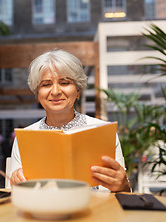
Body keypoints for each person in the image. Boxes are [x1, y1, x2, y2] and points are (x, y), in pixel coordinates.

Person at [8, 49, 131, 192]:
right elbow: (13, 195)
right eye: (46, 84)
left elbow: (123, 194)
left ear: (78, 91)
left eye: (64, 83)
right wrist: (15, 185)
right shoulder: (25, 138)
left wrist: (123, 186)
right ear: (37, 94)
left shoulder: (103, 132)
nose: (55, 92)